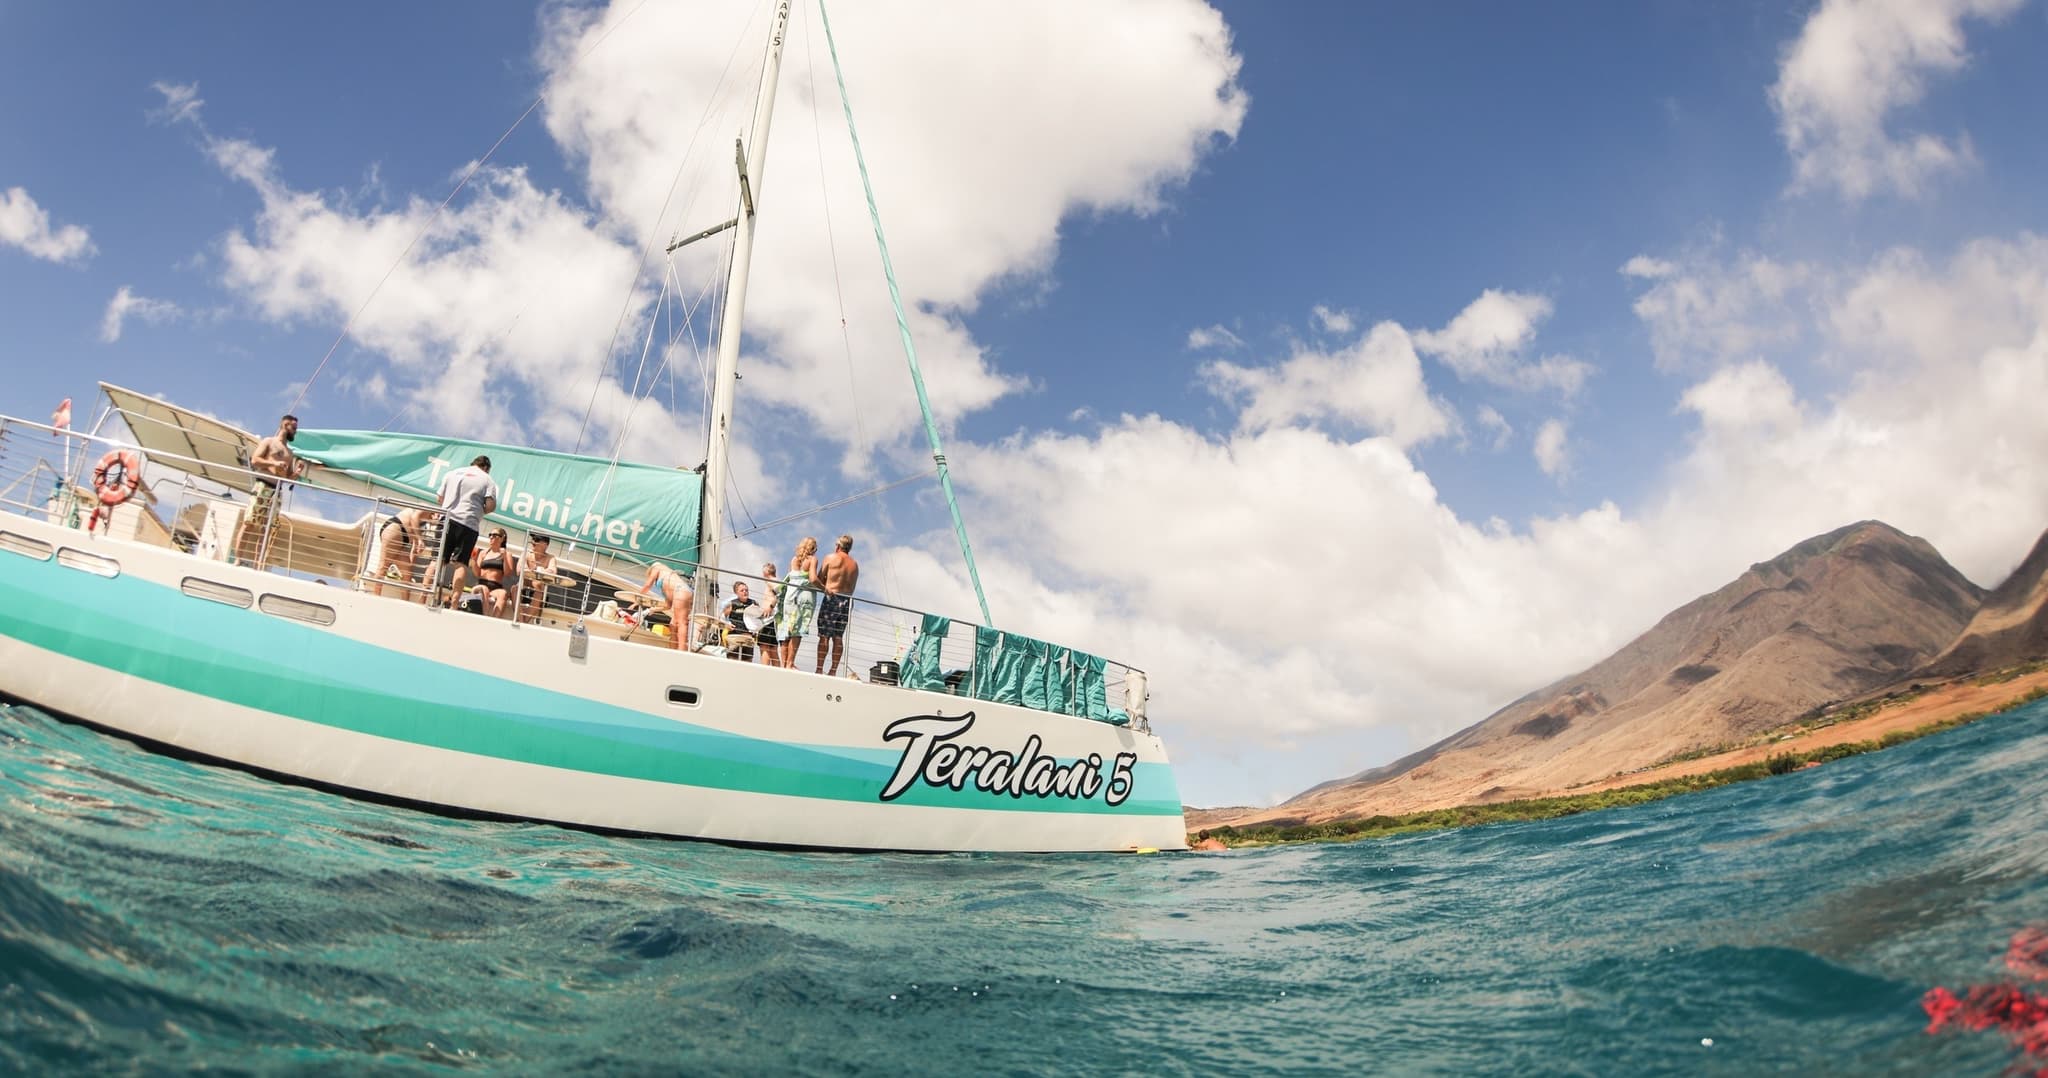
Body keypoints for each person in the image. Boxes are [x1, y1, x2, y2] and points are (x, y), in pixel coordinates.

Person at [234, 414, 308, 569]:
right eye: (294, 428)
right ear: (285, 425)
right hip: (262, 486)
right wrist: (273, 462)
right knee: (249, 523)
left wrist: (298, 472)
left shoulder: (289, 453)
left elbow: (287, 478)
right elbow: (255, 460)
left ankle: (258, 564)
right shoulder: (269, 442)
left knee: (266, 529)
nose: (295, 431)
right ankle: (238, 559)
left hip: (277, 491)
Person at [435, 455, 497, 604]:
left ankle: (426, 595)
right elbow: (490, 505)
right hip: (468, 524)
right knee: (460, 565)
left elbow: (439, 498)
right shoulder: (487, 480)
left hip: (446, 519)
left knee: (437, 561)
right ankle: (455, 603)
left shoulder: (452, 473)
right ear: (486, 468)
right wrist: (480, 511)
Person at [815, 534, 861, 676]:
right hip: (847, 601)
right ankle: (833, 670)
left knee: (824, 635)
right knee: (838, 637)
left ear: (838, 546)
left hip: (831, 597)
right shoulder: (854, 565)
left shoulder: (830, 558)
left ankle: (819, 668)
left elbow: (820, 578)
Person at [369, 505, 433, 600]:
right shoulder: (428, 509)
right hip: (395, 529)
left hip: (402, 539)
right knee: (383, 566)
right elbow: (413, 517)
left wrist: (411, 561)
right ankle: (375, 597)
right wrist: (420, 539)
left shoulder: (423, 525)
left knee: (407, 572)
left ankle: (405, 601)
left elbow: (414, 548)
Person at [775, 537, 818, 670]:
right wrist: (824, 588)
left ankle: (784, 664)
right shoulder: (812, 560)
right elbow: (812, 578)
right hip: (801, 596)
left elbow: (793, 578)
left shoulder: (794, 560)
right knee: (797, 630)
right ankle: (790, 663)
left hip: (789, 596)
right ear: (813, 548)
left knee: (786, 629)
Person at [638, 561, 694, 650]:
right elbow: (668, 605)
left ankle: (682, 651)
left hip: (681, 590)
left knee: (681, 623)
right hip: (680, 591)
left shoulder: (657, 567)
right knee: (673, 625)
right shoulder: (666, 586)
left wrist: (637, 598)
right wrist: (651, 610)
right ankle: (673, 650)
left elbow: (648, 585)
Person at [471, 527, 519, 618]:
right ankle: (484, 617)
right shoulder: (483, 553)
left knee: (503, 594)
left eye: (495, 535)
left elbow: (508, 573)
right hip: (482, 584)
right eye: (490, 535)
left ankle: (494, 619)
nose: (491, 537)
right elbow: (477, 573)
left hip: (496, 587)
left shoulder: (507, 554)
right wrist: (473, 560)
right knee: (483, 589)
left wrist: (504, 556)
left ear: (502, 538)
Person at [520, 534, 558, 623]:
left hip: (537, 590)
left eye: (536, 540)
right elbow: (519, 570)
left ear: (545, 545)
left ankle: (523, 621)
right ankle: (522, 620)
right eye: (533, 539)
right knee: (514, 589)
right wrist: (543, 570)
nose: (533, 542)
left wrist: (536, 569)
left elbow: (553, 572)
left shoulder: (551, 558)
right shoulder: (526, 553)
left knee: (538, 585)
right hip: (522, 589)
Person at [720, 581, 760, 662]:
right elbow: (721, 617)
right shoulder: (732, 603)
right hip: (734, 636)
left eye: (746, 590)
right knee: (732, 660)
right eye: (742, 590)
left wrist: (756, 630)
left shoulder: (754, 603)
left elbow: (760, 618)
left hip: (748, 637)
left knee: (747, 661)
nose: (745, 592)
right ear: (736, 593)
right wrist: (727, 625)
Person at [754, 561, 782, 666]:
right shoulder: (774, 582)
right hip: (773, 619)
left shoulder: (771, 582)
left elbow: (780, 593)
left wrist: (770, 606)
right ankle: (777, 672)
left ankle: (764, 670)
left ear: (766, 571)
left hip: (769, 619)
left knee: (764, 646)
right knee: (773, 647)